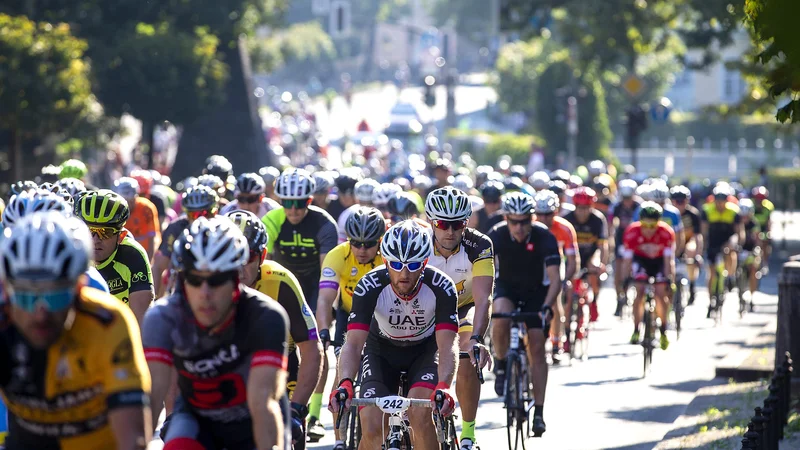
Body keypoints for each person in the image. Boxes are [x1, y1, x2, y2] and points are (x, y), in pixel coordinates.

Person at [0, 212, 152, 450]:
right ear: (6, 292)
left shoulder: (108, 322)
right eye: (27, 296)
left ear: (80, 287)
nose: (40, 314)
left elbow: (133, 440)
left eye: (55, 295)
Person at [142, 216, 290, 450]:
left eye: (217, 279)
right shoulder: (163, 318)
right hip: (197, 418)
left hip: (253, 418)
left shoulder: (265, 315)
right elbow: (150, 401)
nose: (205, 292)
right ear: (181, 279)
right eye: (194, 279)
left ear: (236, 279)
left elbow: (262, 403)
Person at [329, 220, 459, 450]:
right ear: (386, 261)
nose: (404, 273)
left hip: (425, 353)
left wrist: (444, 385)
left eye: (414, 264)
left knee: (420, 418)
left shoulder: (442, 286)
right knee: (371, 427)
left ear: (425, 262)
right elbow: (354, 343)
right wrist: (345, 382)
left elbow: (447, 344)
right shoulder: (369, 285)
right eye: (396, 264)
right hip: (381, 351)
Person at [227, 210, 323, 449]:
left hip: (280, 365)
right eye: (230, 255)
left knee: (289, 434)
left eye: (246, 256)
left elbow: (311, 349)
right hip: (227, 365)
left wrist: (298, 409)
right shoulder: (205, 283)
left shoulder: (280, 281)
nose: (238, 266)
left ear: (263, 255)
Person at [262, 167, 338, 440]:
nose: (293, 210)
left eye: (300, 203)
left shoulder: (324, 224)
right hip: (281, 285)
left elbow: (327, 274)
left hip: (314, 287)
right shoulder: (272, 219)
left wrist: (323, 314)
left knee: (315, 345)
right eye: (287, 203)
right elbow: (260, 262)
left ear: (311, 200)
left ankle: (314, 413)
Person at [424, 187, 494, 449]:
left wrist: (477, 338)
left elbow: (483, 298)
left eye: (458, 224)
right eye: (443, 224)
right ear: (432, 221)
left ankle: (468, 433)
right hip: (424, 310)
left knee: (468, 354)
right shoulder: (419, 242)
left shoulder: (479, 244)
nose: (450, 232)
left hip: (462, 308)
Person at [489, 192, 561, 436]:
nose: (519, 227)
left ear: (532, 219)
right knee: (499, 317)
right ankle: (500, 365)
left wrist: (548, 306)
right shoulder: (496, 235)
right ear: (506, 219)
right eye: (514, 221)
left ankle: (538, 412)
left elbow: (555, 280)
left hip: (536, 292)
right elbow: (483, 273)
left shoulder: (545, 237)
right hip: (507, 287)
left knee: (538, 347)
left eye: (524, 221)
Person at [316, 206, 385, 450]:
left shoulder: (387, 254)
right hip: (349, 312)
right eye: (356, 243)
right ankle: (339, 439)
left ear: (380, 240)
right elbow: (325, 299)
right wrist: (323, 330)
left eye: (369, 244)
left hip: (381, 316)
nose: (362, 250)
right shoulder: (337, 255)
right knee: (342, 373)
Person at [1, 189, 110, 293]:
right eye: (22, 297)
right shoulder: (93, 281)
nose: (39, 312)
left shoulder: (94, 283)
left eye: (56, 297)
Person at [75, 189, 154, 325]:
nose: (95, 240)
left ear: (121, 236)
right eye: (89, 230)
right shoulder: (73, 252)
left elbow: (140, 320)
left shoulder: (133, 255)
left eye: (105, 233)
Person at [622, 202, 676, 350]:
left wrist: (669, 279)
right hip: (641, 262)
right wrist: (625, 279)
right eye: (645, 225)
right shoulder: (632, 231)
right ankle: (636, 330)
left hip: (659, 263)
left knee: (660, 294)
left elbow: (668, 261)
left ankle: (664, 330)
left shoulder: (666, 233)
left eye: (652, 226)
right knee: (639, 292)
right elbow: (627, 260)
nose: (648, 230)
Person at [533, 190, 579, 361]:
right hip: (534, 265)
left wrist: (566, 279)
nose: (544, 218)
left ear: (556, 211)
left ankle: (556, 342)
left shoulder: (565, 228)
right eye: (540, 214)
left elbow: (573, 259)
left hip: (556, 265)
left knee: (554, 302)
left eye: (548, 214)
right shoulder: (529, 226)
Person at [152, 185, 220, 297]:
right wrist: (154, 299)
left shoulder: (224, 228)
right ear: (186, 214)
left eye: (204, 214)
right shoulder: (176, 228)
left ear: (216, 212)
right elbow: (159, 267)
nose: (199, 220)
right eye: (194, 214)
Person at [563, 187, 609, 323]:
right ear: (575, 206)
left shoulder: (598, 220)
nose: (583, 212)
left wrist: (602, 264)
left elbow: (603, 246)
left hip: (590, 255)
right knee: (568, 286)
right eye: (580, 208)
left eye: (586, 208)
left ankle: (594, 300)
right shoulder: (567, 219)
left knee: (594, 270)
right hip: (571, 256)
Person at [701, 184, 743, 318]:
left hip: (727, 241)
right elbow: (703, 232)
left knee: (731, 253)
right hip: (713, 243)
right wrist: (703, 248)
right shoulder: (707, 210)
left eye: (723, 199)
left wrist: (735, 243)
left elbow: (739, 232)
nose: (720, 202)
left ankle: (730, 276)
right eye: (717, 199)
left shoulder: (734, 211)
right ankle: (710, 300)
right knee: (711, 273)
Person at [610, 179, 641, 315]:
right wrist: (610, 240)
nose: (627, 201)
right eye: (624, 198)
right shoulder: (616, 206)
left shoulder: (640, 206)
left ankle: (631, 292)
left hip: (636, 240)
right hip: (621, 240)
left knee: (633, 270)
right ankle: (619, 299)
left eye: (629, 198)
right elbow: (610, 224)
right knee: (618, 270)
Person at [113, 177, 161, 260]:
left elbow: (151, 238)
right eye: (124, 201)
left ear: (136, 196)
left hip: (145, 251)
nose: (127, 205)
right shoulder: (114, 209)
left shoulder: (147, 208)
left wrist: (148, 262)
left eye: (131, 200)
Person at [670, 185, 703, 305]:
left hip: (688, 242)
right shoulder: (669, 213)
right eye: (675, 201)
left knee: (691, 250)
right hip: (672, 243)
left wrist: (698, 255)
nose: (679, 204)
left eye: (682, 201)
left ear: (687, 201)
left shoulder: (693, 214)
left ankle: (692, 285)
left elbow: (698, 236)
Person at [737, 199, 762, 306]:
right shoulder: (736, 223)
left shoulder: (754, 223)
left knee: (753, 269)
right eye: (742, 216)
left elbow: (757, 240)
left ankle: (752, 295)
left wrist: (757, 250)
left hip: (751, 251)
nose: (744, 219)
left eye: (746, 216)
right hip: (738, 250)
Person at [751, 186, 773, 270]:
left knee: (765, 242)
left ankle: (764, 263)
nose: (759, 201)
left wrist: (769, 232)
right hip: (753, 228)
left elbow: (768, 220)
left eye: (761, 198)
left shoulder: (768, 207)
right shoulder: (751, 206)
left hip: (763, 228)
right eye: (757, 198)